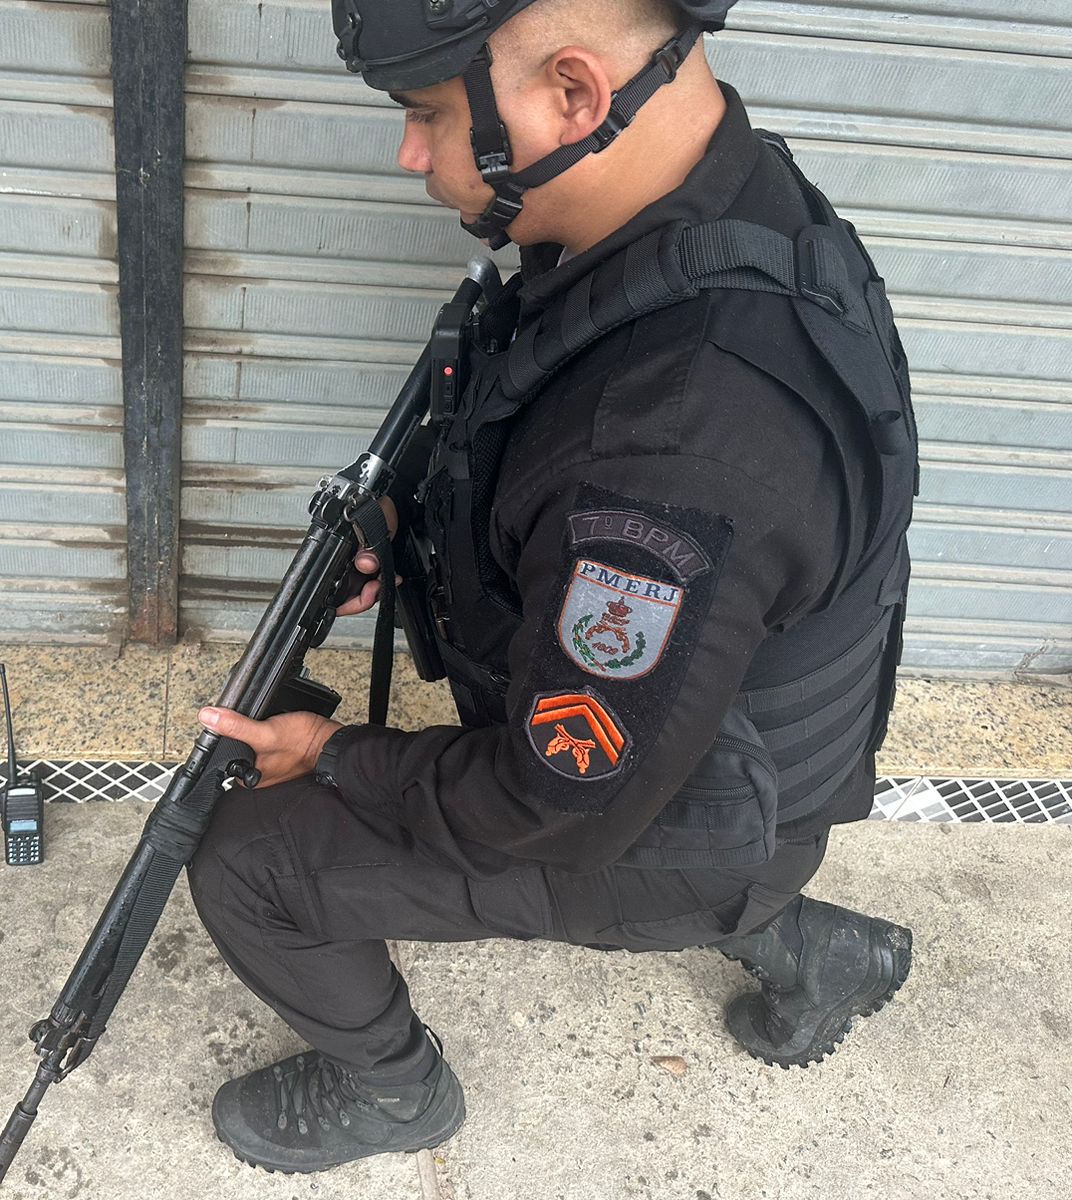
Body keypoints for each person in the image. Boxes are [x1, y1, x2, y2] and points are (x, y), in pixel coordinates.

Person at [186, 0, 918, 1175]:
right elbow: (536, 428)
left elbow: (554, 799)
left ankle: (395, 1100)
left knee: (247, 858)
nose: (409, 154)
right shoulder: (712, 201)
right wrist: (410, 525)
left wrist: (332, 761)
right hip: (725, 771)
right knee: (654, 805)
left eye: (426, 115)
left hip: (662, 818)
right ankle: (810, 946)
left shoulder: (675, 452)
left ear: (576, 94)